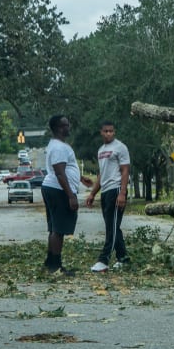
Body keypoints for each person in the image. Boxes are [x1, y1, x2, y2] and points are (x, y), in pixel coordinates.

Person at [41, 115, 93, 276]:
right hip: (59, 190)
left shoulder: (59, 145)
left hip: (54, 188)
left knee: (54, 228)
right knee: (59, 230)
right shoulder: (58, 147)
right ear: (57, 128)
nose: (68, 127)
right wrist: (71, 195)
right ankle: (55, 266)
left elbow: (66, 169)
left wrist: (80, 178)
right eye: (65, 125)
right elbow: (59, 172)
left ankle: (50, 262)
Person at [85, 121, 132, 272]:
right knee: (112, 226)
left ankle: (103, 260)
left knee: (112, 228)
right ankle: (123, 258)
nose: (108, 134)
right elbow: (101, 174)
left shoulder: (120, 147)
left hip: (116, 189)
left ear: (114, 132)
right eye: (105, 131)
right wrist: (93, 193)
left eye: (111, 131)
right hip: (105, 191)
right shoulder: (101, 150)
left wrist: (122, 193)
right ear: (101, 132)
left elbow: (125, 170)